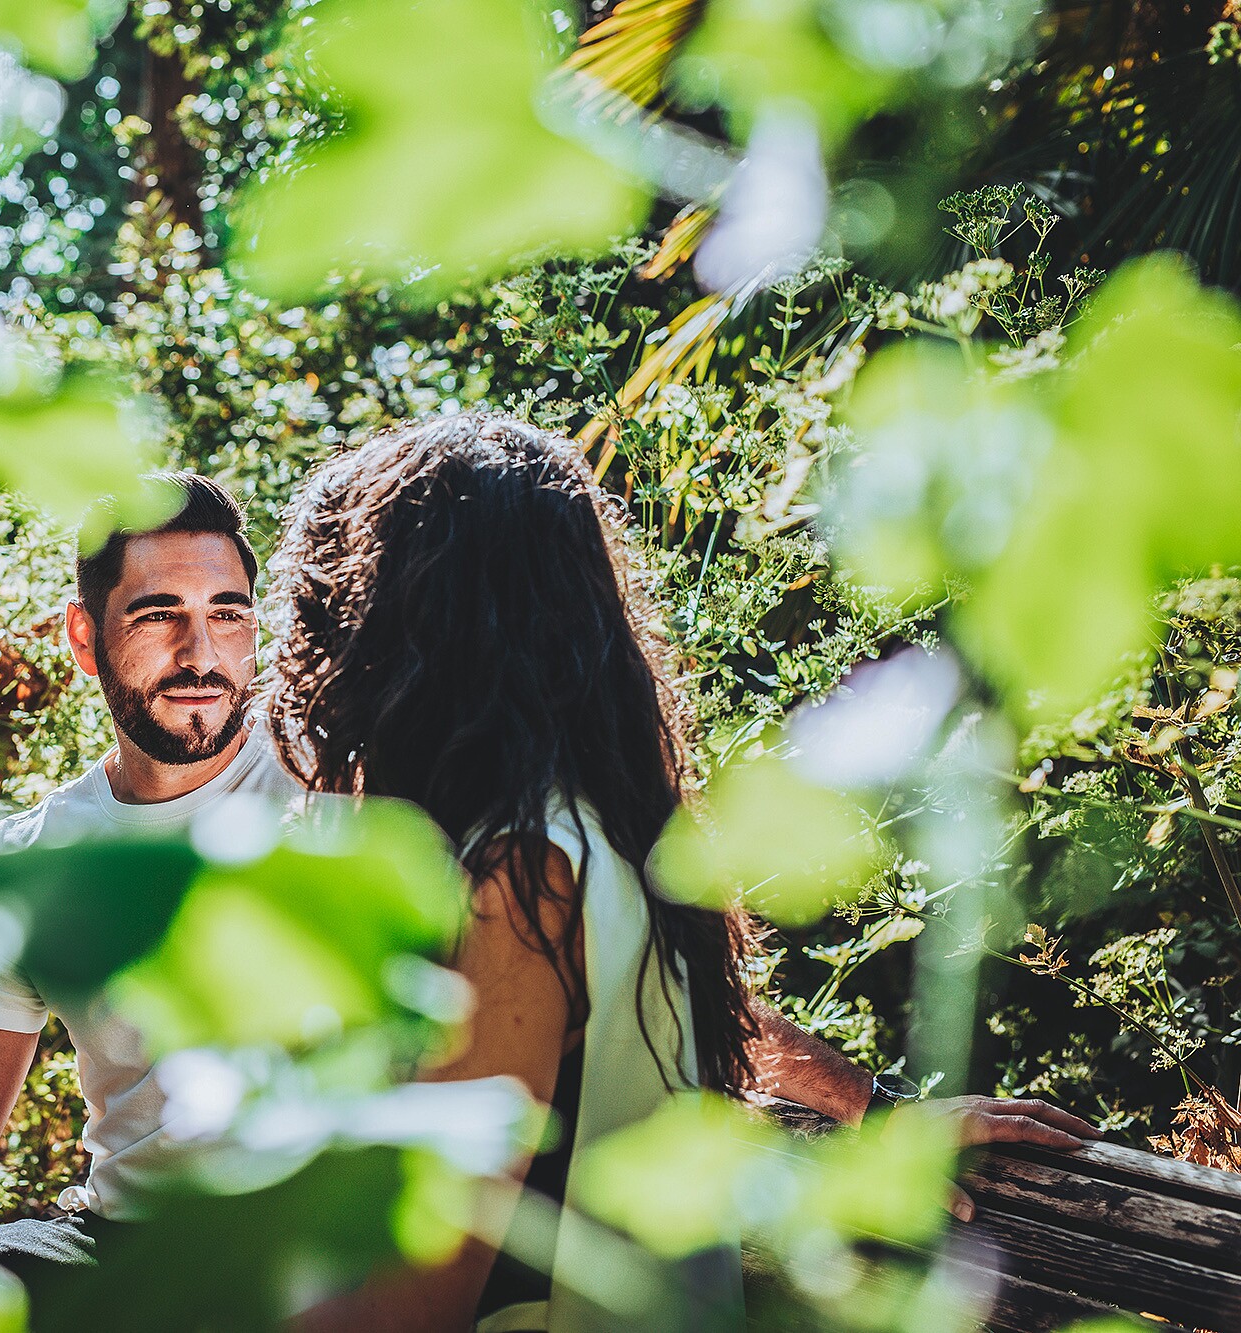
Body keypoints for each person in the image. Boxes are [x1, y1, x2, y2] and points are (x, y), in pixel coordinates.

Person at [257, 413, 1099, 1333]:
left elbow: (403, 1308)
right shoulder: (602, 842)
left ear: (395, 629)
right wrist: (879, 1110)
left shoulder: (515, 881)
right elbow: (681, 1031)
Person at [0, 472, 305, 1279]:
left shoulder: (332, 778)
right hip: (124, 1250)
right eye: (158, 616)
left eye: (228, 613)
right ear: (83, 637)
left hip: (318, 1251)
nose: (201, 653)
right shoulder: (39, 861)